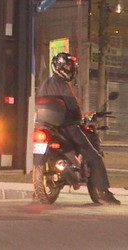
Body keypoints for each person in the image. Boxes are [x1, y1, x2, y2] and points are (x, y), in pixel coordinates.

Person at [38, 52, 121, 205]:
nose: (69, 70)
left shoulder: (45, 84)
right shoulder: (62, 85)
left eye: (71, 67)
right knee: (93, 156)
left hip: (46, 127)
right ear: (58, 67)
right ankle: (103, 192)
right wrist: (80, 117)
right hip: (66, 127)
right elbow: (73, 109)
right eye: (67, 66)